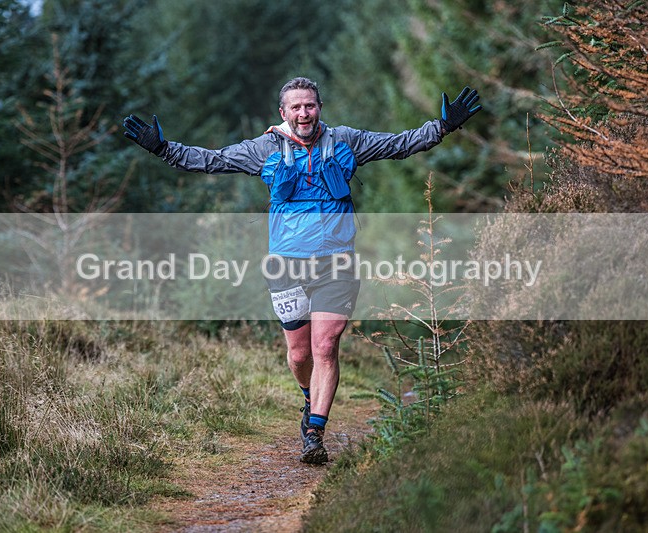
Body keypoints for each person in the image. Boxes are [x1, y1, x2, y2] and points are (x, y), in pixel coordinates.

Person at [123, 77, 481, 464]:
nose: (303, 113)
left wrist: (443, 126)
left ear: (319, 108)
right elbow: (214, 159)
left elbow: (398, 144)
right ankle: (309, 395)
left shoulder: (346, 140)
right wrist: (162, 148)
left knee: (325, 346)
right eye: (295, 107)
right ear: (283, 113)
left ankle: (314, 432)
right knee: (298, 356)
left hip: (337, 263)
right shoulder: (264, 147)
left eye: (309, 105)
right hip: (285, 264)